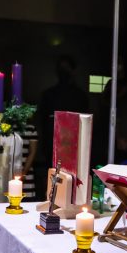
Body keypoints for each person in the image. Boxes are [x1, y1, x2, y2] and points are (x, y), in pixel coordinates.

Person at [36, 55, 90, 195]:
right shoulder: (48, 94)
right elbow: (42, 120)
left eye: (66, 68)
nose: (63, 71)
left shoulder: (80, 96)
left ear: (73, 71)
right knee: (53, 175)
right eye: (61, 68)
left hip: (73, 144)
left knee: (71, 178)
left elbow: (85, 122)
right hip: (52, 143)